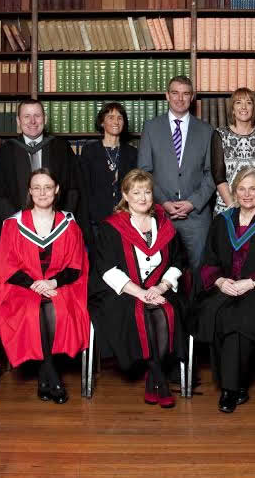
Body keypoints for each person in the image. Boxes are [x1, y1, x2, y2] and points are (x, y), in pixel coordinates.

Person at [0, 169, 89, 404]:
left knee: (55, 307)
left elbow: (76, 265)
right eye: (37, 187)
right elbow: (6, 265)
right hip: (21, 286)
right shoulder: (13, 224)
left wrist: (52, 282)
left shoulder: (69, 224)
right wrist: (33, 284)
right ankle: (52, 375)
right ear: (30, 191)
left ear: (56, 190)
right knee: (31, 309)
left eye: (48, 187)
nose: (42, 193)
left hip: (60, 285)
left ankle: (45, 376)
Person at [194, 167, 255, 413]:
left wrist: (249, 283)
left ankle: (231, 388)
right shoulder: (222, 221)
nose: (247, 194)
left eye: (253, 189)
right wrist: (220, 282)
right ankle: (234, 385)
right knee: (218, 311)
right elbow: (208, 261)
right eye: (241, 189)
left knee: (239, 314)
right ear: (234, 192)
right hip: (225, 287)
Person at [89, 170, 186, 408]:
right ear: (125, 195)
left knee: (165, 311)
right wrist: (141, 293)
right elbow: (107, 269)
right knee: (140, 311)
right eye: (136, 192)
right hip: (123, 292)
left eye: (147, 192)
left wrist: (161, 287)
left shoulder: (164, 225)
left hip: (159, 288)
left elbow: (178, 262)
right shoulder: (112, 227)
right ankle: (159, 378)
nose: (142, 198)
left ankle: (153, 376)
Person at [0, 100, 90, 279]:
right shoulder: (7, 150)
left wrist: (60, 222)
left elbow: (73, 188)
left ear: (45, 118)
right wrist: (18, 223)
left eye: (37, 115)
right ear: (18, 121)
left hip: (56, 230)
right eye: (26, 116)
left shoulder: (61, 147)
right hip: (20, 231)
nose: (32, 121)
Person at [138, 75, 215, 287]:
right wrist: (164, 202)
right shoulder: (151, 128)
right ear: (167, 96)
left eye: (185, 93)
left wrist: (192, 203)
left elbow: (212, 173)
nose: (180, 99)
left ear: (192, 97)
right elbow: (144, 172)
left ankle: (197, 309)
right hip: (161, 214)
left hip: (197, 217)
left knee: (200, 274)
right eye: (175, 93)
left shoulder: (207, 130)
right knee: (160, 272)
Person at [79, 102, 137, 241]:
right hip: (97, 221)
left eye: (120, 118)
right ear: (102, 122)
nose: (116, 121)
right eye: (110, 117)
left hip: (126, 219)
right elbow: (84, 188)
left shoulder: (132, 153)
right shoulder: (89, 151)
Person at [211, 88, 255, 215]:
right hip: (227, 208)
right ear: (232, 109)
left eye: (248, 102)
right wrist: (234, 209)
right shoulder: (220, 134)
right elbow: (218, 176)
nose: (243, 107)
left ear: (254, 108)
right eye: (238, 102)